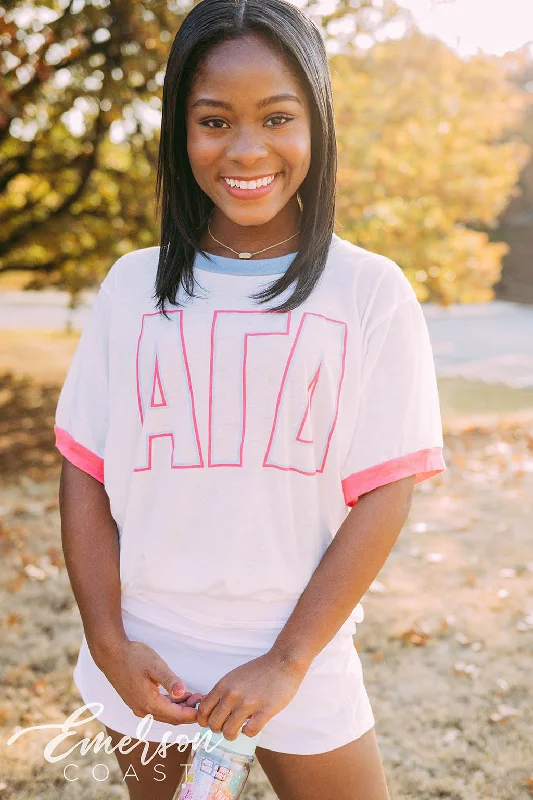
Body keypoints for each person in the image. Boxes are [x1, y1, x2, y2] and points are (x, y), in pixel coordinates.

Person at [55, 1, 446, 798]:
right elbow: (84, 472)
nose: (245, 148)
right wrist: (107, 641)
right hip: (151, 655)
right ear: (178, 128)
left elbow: (384, 489)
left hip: (299, 651)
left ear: (317, 124)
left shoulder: (368, 290)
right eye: (212, 120)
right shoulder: (133, 286)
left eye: (276, 117)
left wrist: (287, 660)